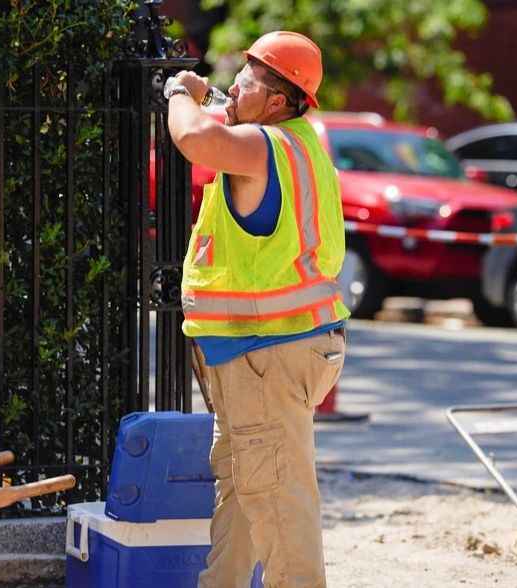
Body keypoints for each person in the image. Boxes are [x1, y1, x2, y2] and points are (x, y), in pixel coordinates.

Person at [166, 31, 350, 588]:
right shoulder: (295, 144)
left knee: (276, 499)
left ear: (275, 100)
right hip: (270, 349)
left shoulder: (262, 147)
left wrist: (181, 89)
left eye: (246, 77)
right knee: (245, 483)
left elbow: (193, 139)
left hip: (265, 352)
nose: (233, 84)